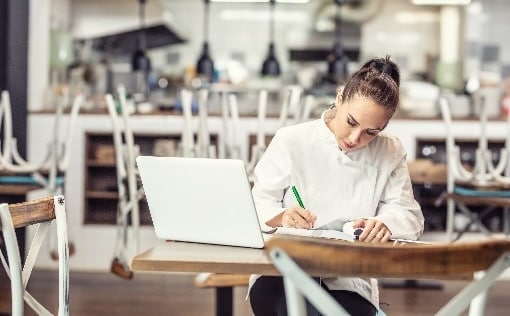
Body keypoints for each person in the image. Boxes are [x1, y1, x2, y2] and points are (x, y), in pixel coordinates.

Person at [249, 55, 425, 316]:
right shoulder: (291, 140)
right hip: (282, 272)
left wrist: (386, 223)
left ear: (383, 127)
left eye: (371, 132)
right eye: (351, 122)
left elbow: (409, 215)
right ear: (340, 97)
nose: (355, 138)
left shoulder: (389, 150)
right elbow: (256, 203)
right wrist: (282, 216)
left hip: (349, 280)